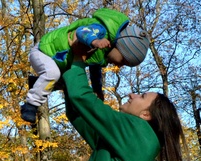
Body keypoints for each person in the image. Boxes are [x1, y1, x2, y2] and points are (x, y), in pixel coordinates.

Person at [61, 40, 187, 161]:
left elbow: (83, 99)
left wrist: (78, 59)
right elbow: (79, 114)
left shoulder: (137, 132)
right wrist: (68, 84)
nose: (132, 94)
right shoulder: (126, 139)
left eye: (141, 96)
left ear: (146, 114)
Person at [20, 8, 150, 123]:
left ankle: (36, 83)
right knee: (53, 74)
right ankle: (30, 105)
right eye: (123, 61)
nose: (119, 65)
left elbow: (95, 70)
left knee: (68, 82)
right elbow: (82, 32)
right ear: (120, 47)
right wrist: (95, 41)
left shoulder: (103, 52)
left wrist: (97, 90)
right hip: (45, 52)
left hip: (58, 60)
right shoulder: (100, 30)